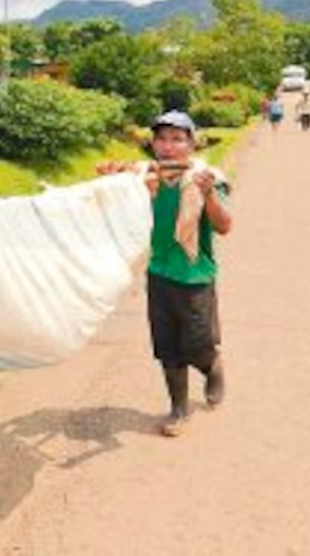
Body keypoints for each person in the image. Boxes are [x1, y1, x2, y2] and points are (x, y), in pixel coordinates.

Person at [100, 111, 232, 437]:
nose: (168, 146)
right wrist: (110, 182)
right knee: (168, 347)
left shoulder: (206, 178)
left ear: (191, 144)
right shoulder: (144, 179)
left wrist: (208, 194)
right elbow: (115, 211)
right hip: (159, 273)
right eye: (162, 139)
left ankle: (212, 367)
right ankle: (179, 410)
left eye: (177, 139)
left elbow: (224, 226)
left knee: (199, 345)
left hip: (195, 276)